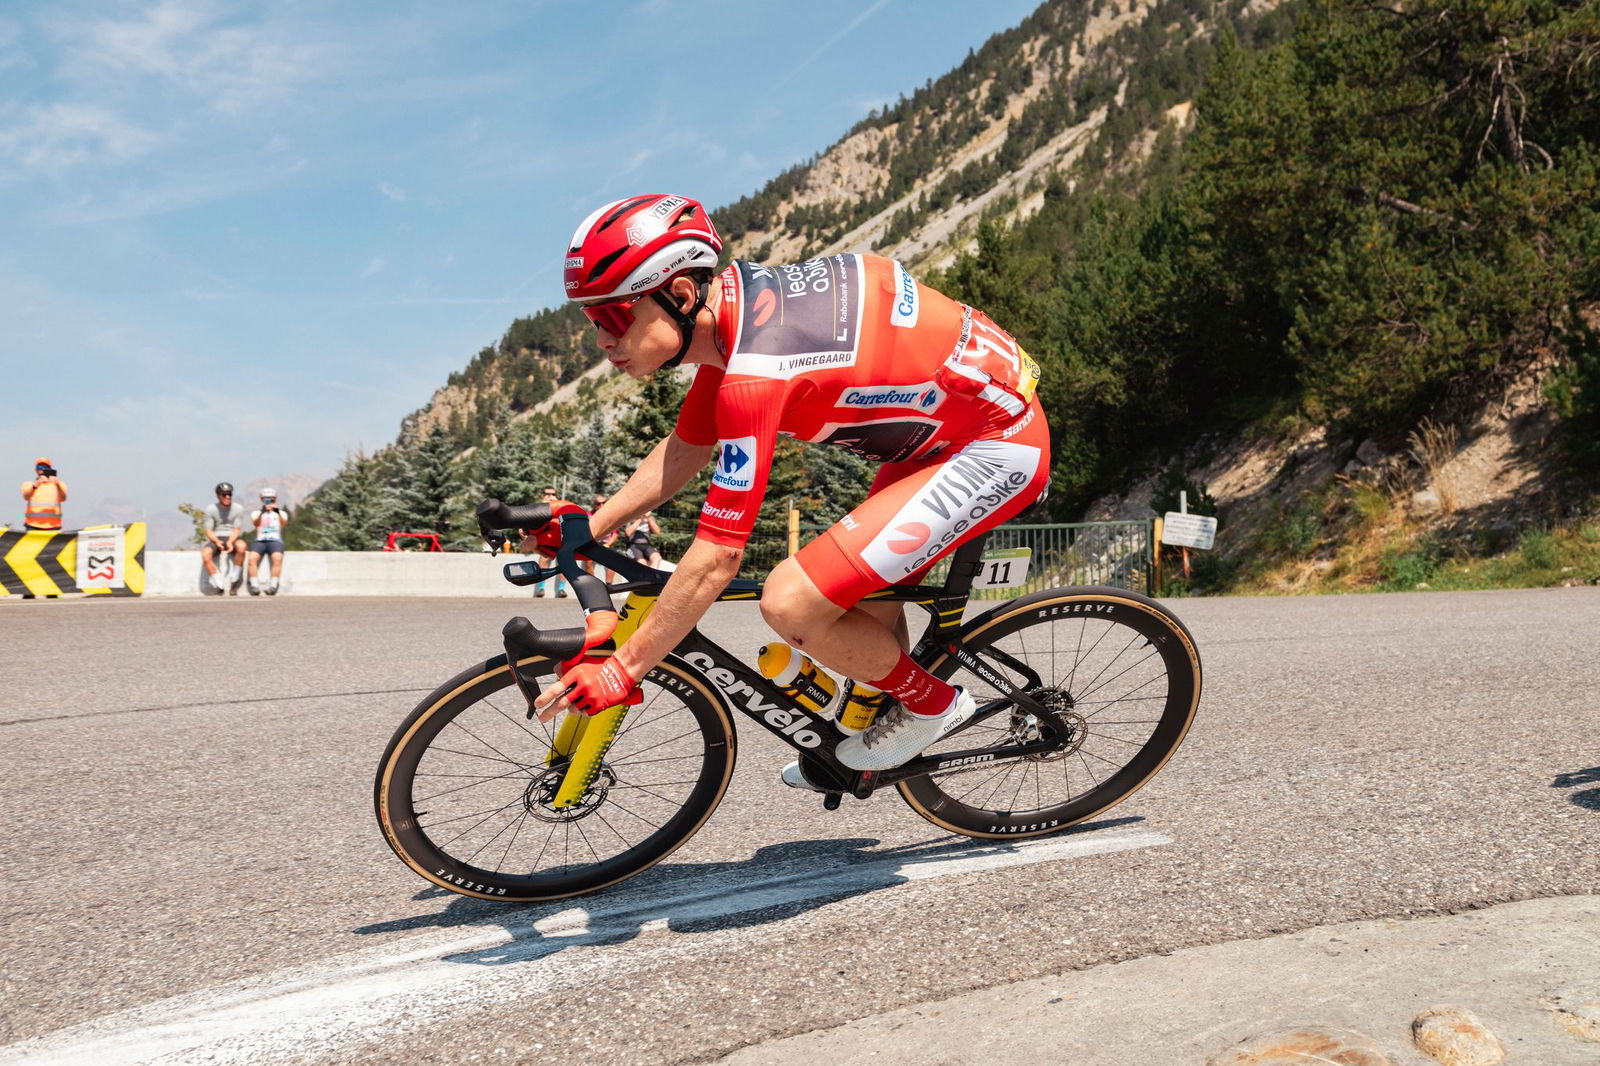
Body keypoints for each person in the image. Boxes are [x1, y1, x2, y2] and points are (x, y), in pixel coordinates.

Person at [530, 194, 1050, 782]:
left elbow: (717, 559)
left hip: (996, 444)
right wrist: (588, 526)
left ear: (677, 296)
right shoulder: (738, 319)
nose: (601, 340)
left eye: (614, 317)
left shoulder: (757, 369)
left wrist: (624, 668)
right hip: (938, 439)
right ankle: (877, 718)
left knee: (790, 601)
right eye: (591, 320)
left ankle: (932, 705)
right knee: (851, 606)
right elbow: (686, 448)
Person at [202, 482, 248, 594]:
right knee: (205, 554)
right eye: (224, 494)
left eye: (229, 494)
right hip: (216, 537)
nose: (227, 497)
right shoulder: (210, 509)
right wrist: (217, 542)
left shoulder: (238, 508)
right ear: (218, 495)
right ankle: (218, 581)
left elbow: (237, 529)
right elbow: (208, 530)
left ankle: (235, 577)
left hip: (232, 536)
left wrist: (231, 542)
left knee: (242, 546)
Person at [247, 488, 288, 596]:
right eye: (266, 499)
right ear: (262, 500)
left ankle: (274, 585)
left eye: (271, 499)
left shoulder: (281, 512)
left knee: (277, 558)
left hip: (275, 540)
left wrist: (276, 511)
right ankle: (254, 585)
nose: (269, 501)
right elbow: (255, 523)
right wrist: (262, 511)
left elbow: (284, 523)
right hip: (260, 540)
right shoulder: (256, 513)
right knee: (252, 558)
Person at [532, 486, 569, 598]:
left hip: (561, 539)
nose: (550, 496)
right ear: (542, 496)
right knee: (543, 560)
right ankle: (541, 588)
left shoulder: (560, 506)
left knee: (565, 562)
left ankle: (562, 589)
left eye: (553, 494)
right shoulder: (537, 508)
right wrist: (543, 506)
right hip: (546, 540)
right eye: (547, 494)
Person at [21, 458, 67, 531]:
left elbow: (63, 498)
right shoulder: (29, 484)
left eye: (45, 467)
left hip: (53, 526)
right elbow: (26, 496)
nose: (42, 469)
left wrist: (57, 484)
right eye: (39, 467)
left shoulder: (59, 484)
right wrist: (35, 485)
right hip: (32, 526)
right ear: (36, 470)